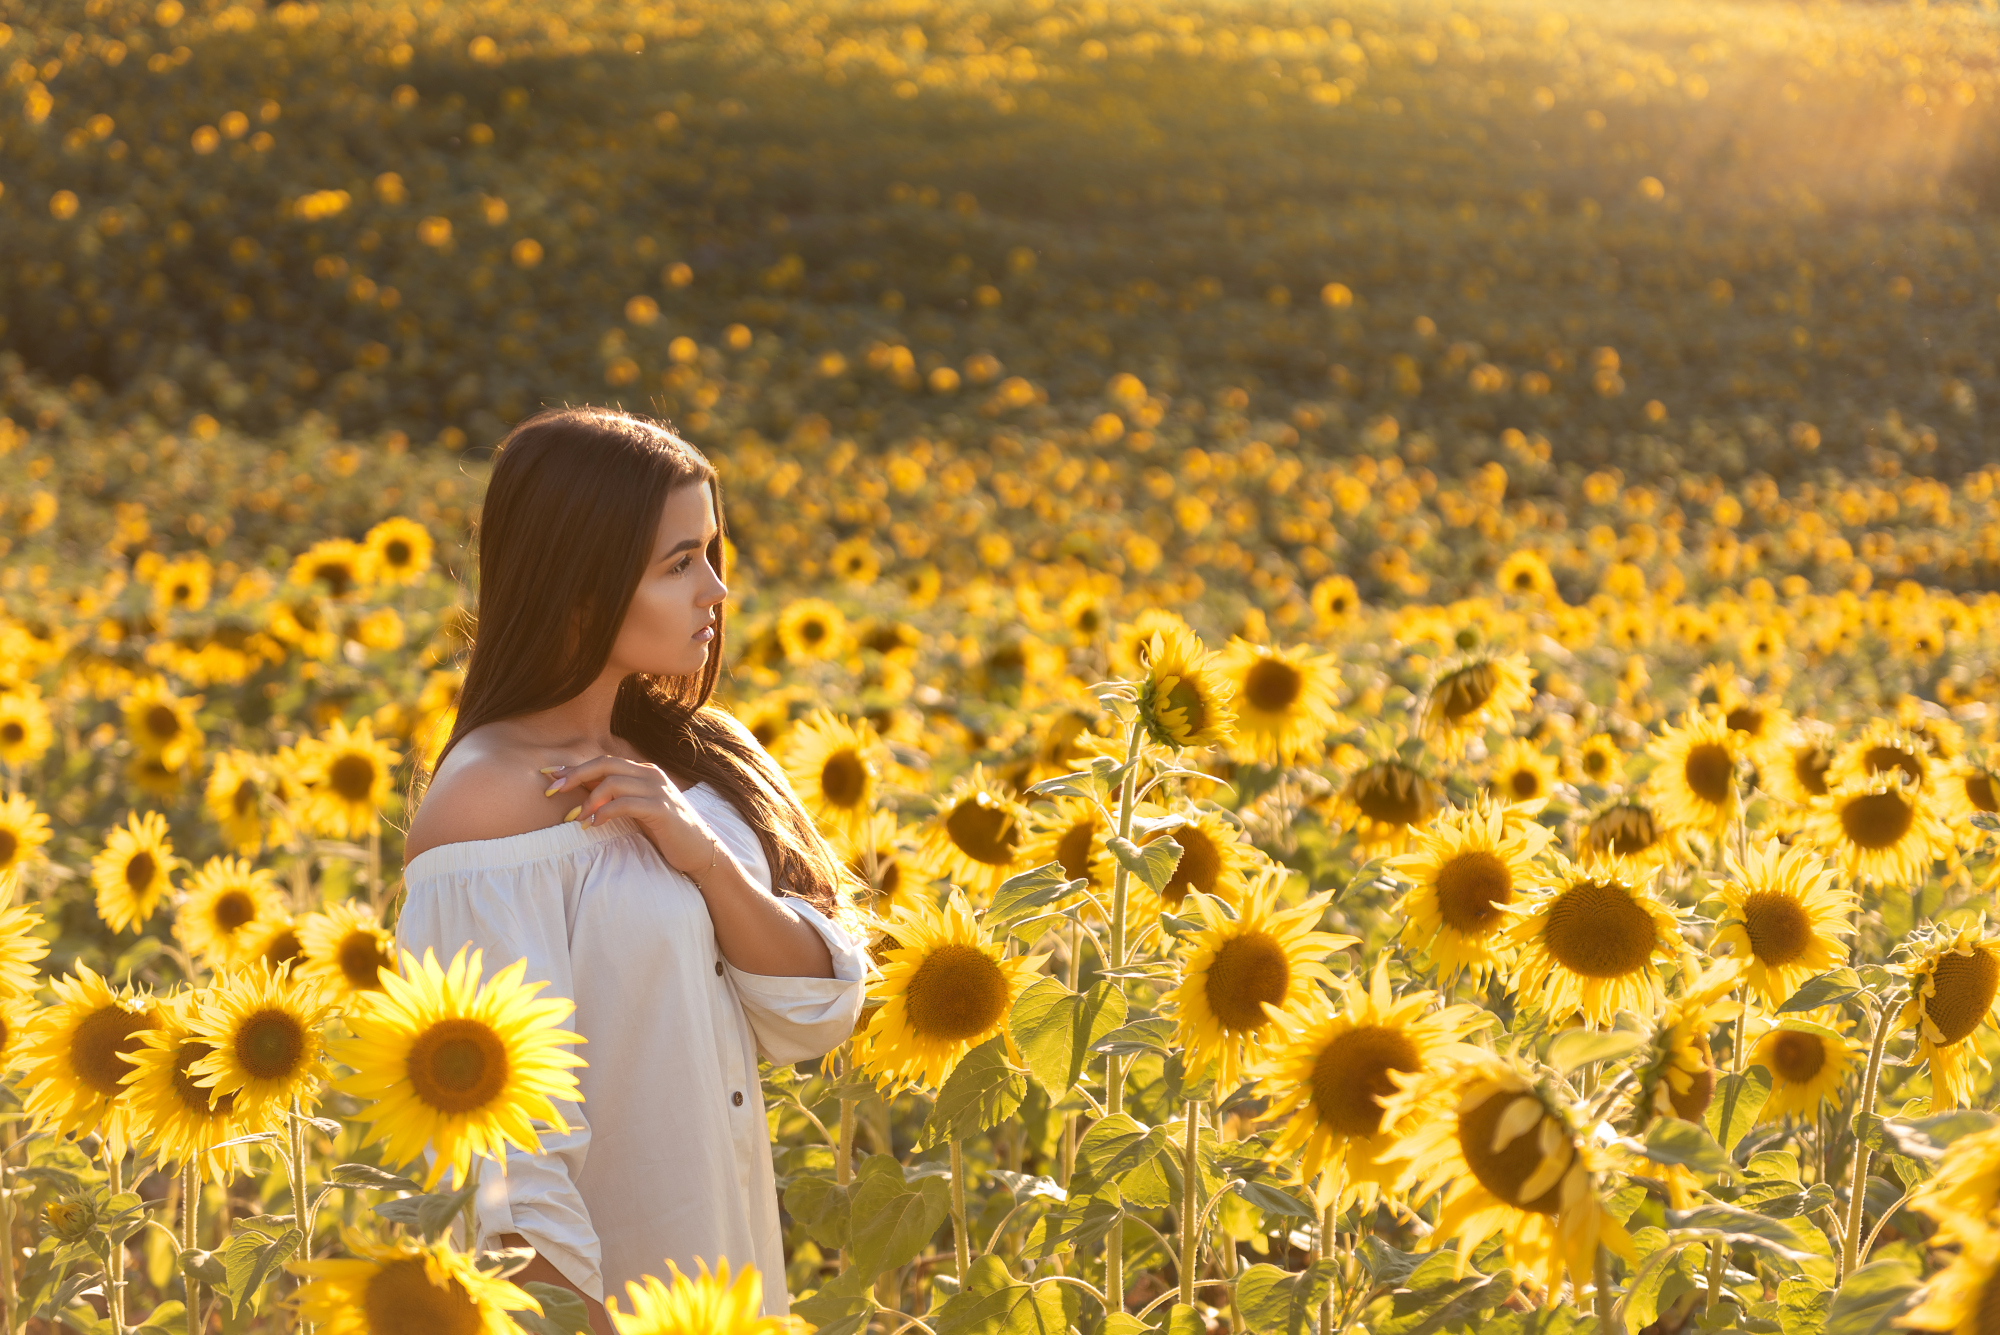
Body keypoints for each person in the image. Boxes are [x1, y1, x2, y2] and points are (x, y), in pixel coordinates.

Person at [397, 406, 872, 1333]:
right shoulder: (486, 806)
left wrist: (703, 862)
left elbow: (818, 1008)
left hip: (726, 1282)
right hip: (608, 1304)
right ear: (581, 584)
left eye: (712, 551)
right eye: (679, 562)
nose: (717, 592)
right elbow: (498, 1169)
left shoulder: (698, 762)